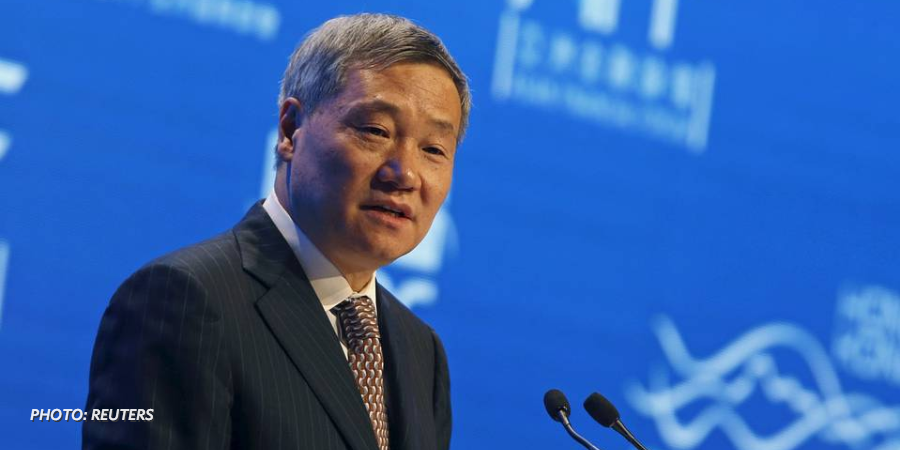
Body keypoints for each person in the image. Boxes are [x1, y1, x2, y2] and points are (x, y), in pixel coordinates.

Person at [83, 13, 470, 450]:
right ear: (290, 129)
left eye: (433, 149)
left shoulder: (421, 351)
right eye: (375, 131)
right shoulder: (185, 300)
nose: (405, 174)